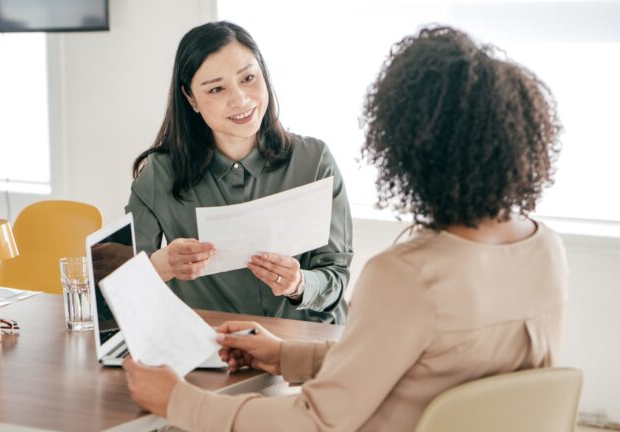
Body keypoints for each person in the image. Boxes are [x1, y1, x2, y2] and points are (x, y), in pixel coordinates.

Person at [121, 26, 567, 432]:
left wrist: (180, 401)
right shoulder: (546, 248)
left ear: (405, 149)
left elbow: (316, 420)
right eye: (217, 88)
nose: (238, 98)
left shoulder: (404, 275)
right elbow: (417, 363)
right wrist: (284, 354)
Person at [126, 21, 353, 324]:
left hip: (302, 348)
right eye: (217, 89)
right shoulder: (159, 173)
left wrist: (299, 284)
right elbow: (120, 285)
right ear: (191, 98)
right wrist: (162, 264)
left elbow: (336, 276)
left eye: (248, 78)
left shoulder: (315, 161)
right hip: (213, 351)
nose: (241, 100)